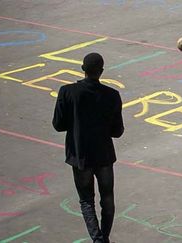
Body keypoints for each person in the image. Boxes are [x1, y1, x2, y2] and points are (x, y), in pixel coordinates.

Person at [52, 53, 124, 243]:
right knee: (107, 198)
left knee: (86, 200)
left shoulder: (67, 92)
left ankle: (97, 239)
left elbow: (58, 125)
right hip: (104, 155)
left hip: (80, 154)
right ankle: (104, 237)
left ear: (83, 69)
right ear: (101, 71)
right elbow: (117, 131)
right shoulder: (112, 95)